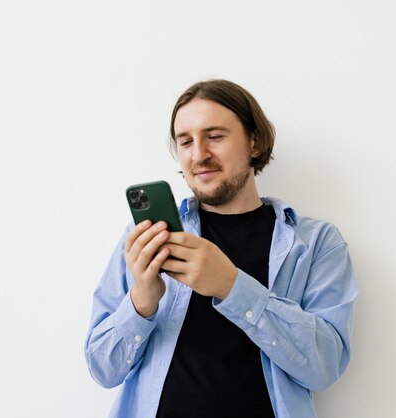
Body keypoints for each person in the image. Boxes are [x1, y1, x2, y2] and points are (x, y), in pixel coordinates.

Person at [84, 79, 358, 418]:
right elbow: (102, 369)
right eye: (185, 141)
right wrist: (142, 300)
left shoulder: (316, 243)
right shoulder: (145, 239)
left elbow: (324, 367)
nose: (199, 155)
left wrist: (231, 286)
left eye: (214, 136)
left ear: (254, 143)